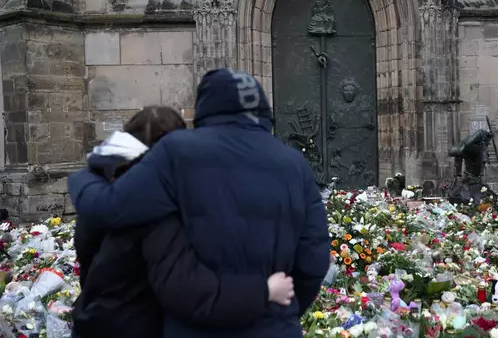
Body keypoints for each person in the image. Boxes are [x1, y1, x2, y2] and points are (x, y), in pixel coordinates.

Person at [68, 70, 330, 338]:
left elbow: (108, 209)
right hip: (275, 325)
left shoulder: (177, 150)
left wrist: (83, 177)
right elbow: (314, 258)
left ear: (205, 107)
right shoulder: (295, 164)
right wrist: (278, 308)